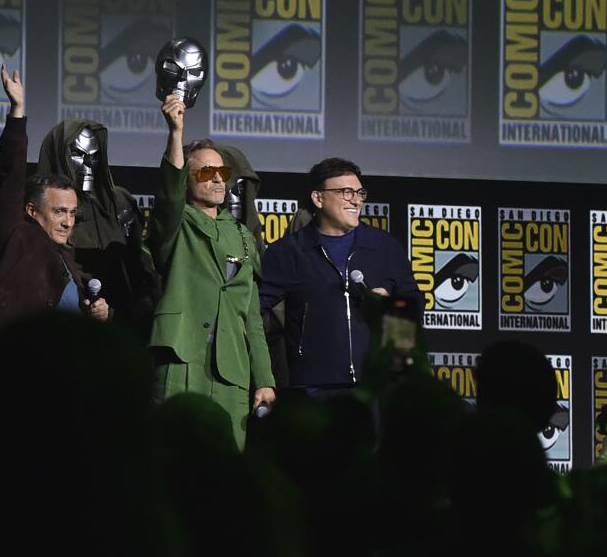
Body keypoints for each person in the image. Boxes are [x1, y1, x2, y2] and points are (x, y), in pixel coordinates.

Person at [148, 94, 275, 449]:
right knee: (171, 460)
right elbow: (169, 196)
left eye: (223, 172)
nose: (218, 180)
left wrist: (264, 379)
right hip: (181, 358)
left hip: (231, 372)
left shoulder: (242, 236)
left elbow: (252, 318)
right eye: (206, 172)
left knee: (225, 470)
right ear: (187, 178)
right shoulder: (176, 223)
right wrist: (175, 132)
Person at [259, 157, 420, 396]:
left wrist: (390, 307)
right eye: (346, 192)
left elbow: (413, 307)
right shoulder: (288, 252)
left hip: (376, 383)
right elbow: (252, 311)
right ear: (318, 198)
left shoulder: (385, 247)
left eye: (360, 192)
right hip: (312, 385)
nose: (356, 199)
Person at [0, 66, 108, 332]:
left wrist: (98, 311)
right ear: (31, 210)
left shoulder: (66, 261)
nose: (67, 222)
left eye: (72, 213)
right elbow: (10, 176)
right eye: (59, 212)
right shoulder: (16, 236)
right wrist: (17, 111)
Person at [37, 118, 158, 337]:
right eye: (79, 155)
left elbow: (140, 270)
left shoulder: (118, 203)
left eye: (94, 156)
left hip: (121, 333)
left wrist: (130, 312)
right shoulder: (38, 206)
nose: (88, 165)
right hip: (61, 332)